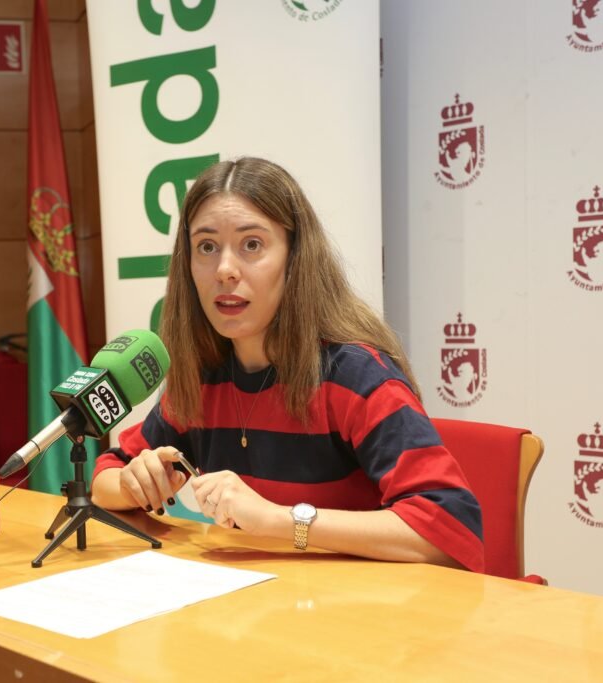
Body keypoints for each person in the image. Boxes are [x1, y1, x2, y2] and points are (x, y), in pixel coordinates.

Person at [90, 157, 483, 572]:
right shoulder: (204, 376)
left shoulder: (355, 375)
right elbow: (105, 478)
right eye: (206, 247)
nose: (224, 269)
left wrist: (278, 519)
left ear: (295, 258)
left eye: (252, 245)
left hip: (364, 616)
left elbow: (452, 531)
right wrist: (136, 484)